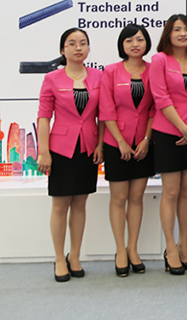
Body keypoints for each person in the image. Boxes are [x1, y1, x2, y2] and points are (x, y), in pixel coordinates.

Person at [38, 28, 103, 282]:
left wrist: (100, 145)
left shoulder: (98, 76)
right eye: (72, 43)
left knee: (80, 204)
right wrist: (44, 152)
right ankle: (58, 258)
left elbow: (103, 115)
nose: (78, 48)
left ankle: (74, 256)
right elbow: (44, 117)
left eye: (83, 43)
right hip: (60, 149)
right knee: (60, 205)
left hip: (88, 147)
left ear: (88, 49)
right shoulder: (52, 78)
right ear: (62, 50)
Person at [150, 14, 187, 275]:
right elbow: (160, 98)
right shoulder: (160, 60)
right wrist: (183, 128)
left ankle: (184, 245)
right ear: (168, 34)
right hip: (168, 132)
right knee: (171, 192)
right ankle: (170, 247)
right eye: (176, 29)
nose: (182, 33)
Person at [100, 24, 155, 277]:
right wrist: (120, 142)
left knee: (136, 197)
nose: (135, 44)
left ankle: (133, 249)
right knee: (119, 198)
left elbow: (155, 108)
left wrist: (146, 139)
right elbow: (106, 109)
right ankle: (120, 250)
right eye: (129, 40)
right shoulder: (111, 71)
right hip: (116, 143)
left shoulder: (153, 70)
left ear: (147, 43)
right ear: (122, 45)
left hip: (143, 142)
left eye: (140, 39)